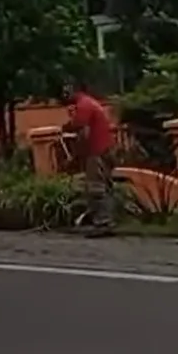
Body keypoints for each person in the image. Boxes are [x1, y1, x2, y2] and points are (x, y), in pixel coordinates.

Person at [62, 80, 116, 238]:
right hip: (106, 148)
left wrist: (75, 156)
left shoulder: (83, 105)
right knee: (105, 187)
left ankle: (103, 223)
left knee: (96, 188)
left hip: (96, 150)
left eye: (67, 90)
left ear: (74, 90)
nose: (64, 94)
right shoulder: (91, 103)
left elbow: (83, 134)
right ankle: (104, 220)